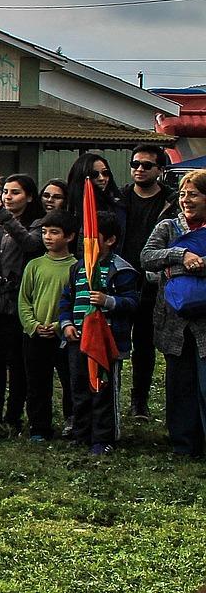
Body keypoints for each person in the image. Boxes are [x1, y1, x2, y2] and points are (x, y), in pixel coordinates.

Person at [60, 209, 141, 457]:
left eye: (93, 238)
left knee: (103, 389)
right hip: (79, 340)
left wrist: (108, 301)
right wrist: (66, 324)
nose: (86, 243)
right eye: (85, 237)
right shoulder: (78, 268)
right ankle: (82, 433)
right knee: (79, 388)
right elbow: (67, 299)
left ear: (110, 240)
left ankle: (104, 437)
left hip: (106, 342)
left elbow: (132, 302)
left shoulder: (121, 269)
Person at [0, 174, 43, 435]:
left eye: (15, 193)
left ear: (29, 197)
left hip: (15, 298)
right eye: (5, 192)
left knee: (16, 362)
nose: (7, 197)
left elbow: (30, 244)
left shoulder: (36, 222)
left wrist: (4, 216)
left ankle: (13, 415)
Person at [143, 169, 206, 459]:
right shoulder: (168, 227)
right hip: (174, 321)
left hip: (204, 322)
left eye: (193, 194)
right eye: (182, 194)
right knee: (179, 385)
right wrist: (181, 256)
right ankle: (184, 446)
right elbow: (147, 257)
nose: (186, 200)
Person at [121, 145, 178, 420]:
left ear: (160, 169)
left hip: (154, 283)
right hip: (120, 280)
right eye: (135, 164)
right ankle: (107, 398)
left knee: (145, 344)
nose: (139, 169)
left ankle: (139, 402)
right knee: (116, 342)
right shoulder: (119, 199)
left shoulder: (172, 202)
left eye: (146, 165)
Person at [18, 210, 80, 442]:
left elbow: (76, 303)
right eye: (44, 232)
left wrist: (57, 326)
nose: (48, 237)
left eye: (54, 232)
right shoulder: (34, 265)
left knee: (69, 381)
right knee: (37, 382)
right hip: (34, 334)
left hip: (64, 334)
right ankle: (39, 426)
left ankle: (72, 421)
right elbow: (24, 299)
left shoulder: (76, 267)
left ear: (69, 236)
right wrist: (33, 325)